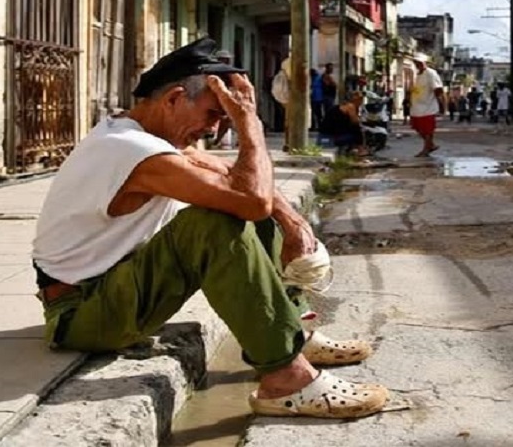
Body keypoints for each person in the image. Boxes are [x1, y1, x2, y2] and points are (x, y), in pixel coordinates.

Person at [31, 38, 388, 419]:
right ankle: (286, 379)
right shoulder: (130, 149)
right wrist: (249, 124)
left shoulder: (144, 134)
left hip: (109, 293)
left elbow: (235, 178)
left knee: (251, 204)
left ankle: (294, 333)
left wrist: (293, 222)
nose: (214, 129)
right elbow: (251, 199)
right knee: (216, 222)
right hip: (82, 314)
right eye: (214, 114)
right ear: (173, 99)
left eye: (225, 118)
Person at [410, 55, 445, 157]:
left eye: (420, 62)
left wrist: (441, 104)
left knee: (427, 129)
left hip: (428, 106)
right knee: (417, 128)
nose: (418, 64)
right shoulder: (417, 74)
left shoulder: (430, 73)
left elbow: (438, 89)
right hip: (416, 106)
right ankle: (430, 145)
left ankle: (426, 148)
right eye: (416, 62)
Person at [319, 91, 367, 156]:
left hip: (325, 137)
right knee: (357, 129)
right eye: (360, 99)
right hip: (330, 139)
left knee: (353, 128)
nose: (361, 102)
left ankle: (354, 149)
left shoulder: (341, 106)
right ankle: (361, 150)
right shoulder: (350, 106)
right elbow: (355, 121)